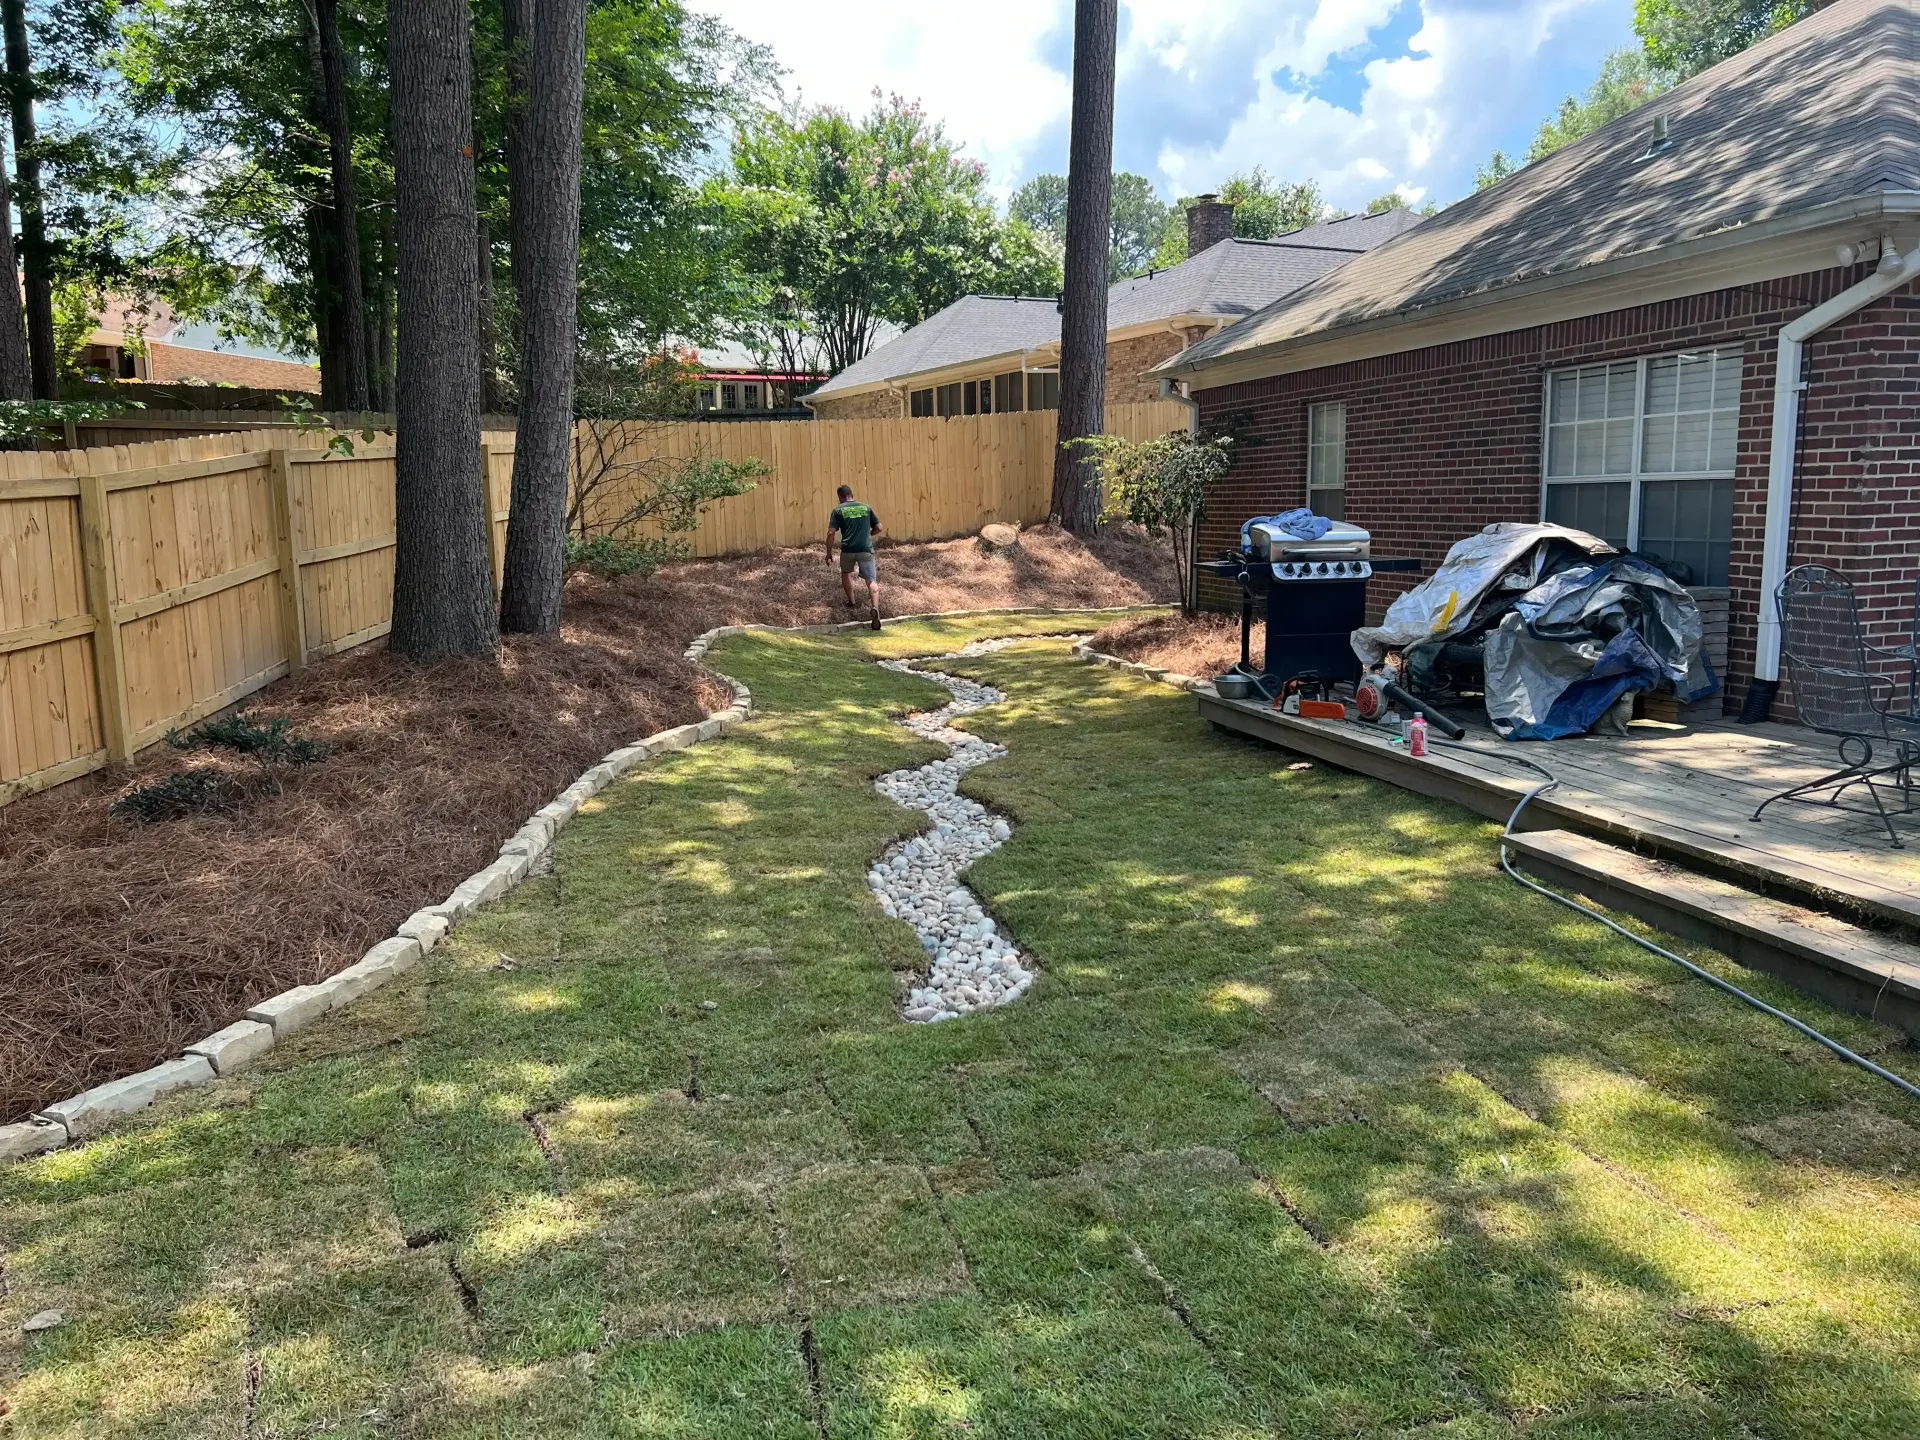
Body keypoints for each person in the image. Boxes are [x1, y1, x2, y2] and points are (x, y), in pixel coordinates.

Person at [826, 484, 884, 630]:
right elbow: (879, 528)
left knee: (846, 574)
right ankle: (875, 607)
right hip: (865, 549)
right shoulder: (866, 508)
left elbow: (831, 533)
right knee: (871, 580)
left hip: (848, 549)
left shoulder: (838, 510)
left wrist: (828, 553)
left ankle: (851, 602)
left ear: (840, 497)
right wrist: (867, 535)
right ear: (852, 494)